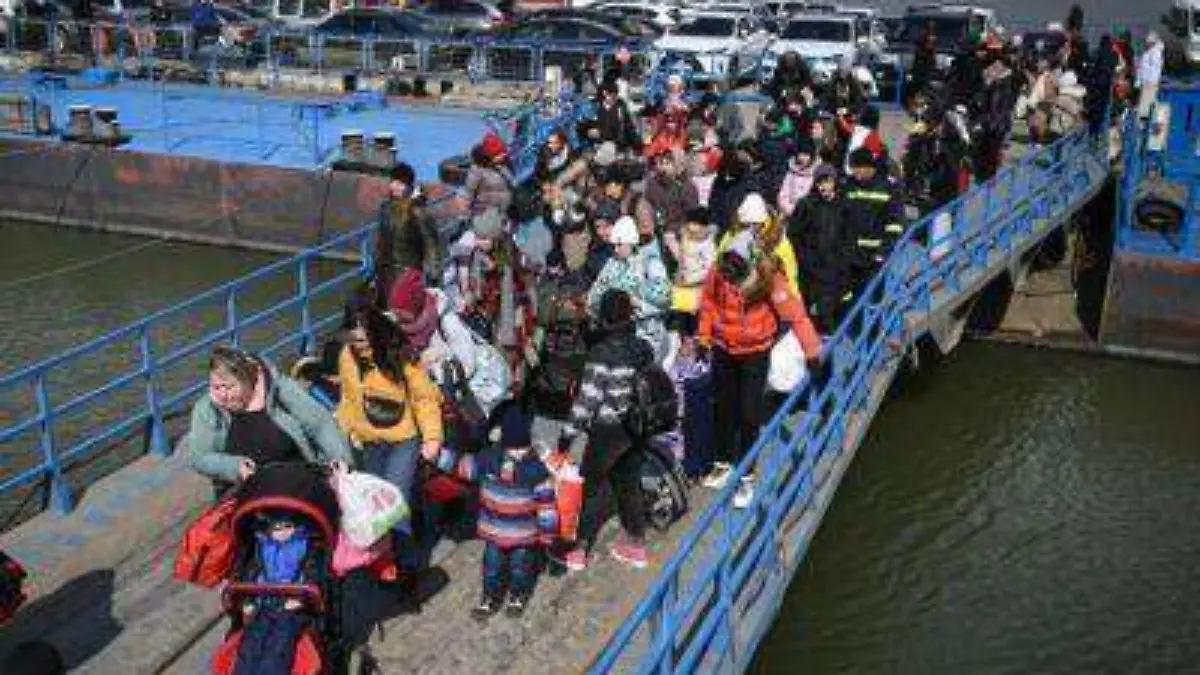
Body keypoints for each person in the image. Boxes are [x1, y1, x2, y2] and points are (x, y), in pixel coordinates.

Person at [697, 231, 821, 508]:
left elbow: (795, 315)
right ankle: (724, 461)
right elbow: (707, 304)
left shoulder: (769, 280)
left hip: (754, 352)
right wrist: (703, 337)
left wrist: (812, 351)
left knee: (748, 412)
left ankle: (747, 475)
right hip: (723, 348)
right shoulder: (719, 273)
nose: (729, 279)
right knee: (723, 407)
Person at [334, 300, 443, 572]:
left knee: (394, 500)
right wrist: (346, 430)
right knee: (375, 504)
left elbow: (424, 399)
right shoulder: (347, 357)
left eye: (364, 334)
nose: (358, 341)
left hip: (402, 441)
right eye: (353, 334)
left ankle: (406, 565)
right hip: (369, 442)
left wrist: (432, 439)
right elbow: (348, 398)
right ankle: (385, 560)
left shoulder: (399, 357)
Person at [558, 289, 656, 571]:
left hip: (608, 429)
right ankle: (635, 546)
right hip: (637, 426)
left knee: (589, 488)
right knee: (629, 485)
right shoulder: (642, 347)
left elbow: (588, 400)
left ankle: (577, 550)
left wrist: (567, 436)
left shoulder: (601, 352)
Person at [427, 406, 557, 619]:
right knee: (491, 568)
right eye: (514, 447)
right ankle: (489, 598)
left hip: (523, 536)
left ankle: (517, 595)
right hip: (494, 534)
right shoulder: (489, 460)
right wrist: (437, 456)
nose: (518, 452)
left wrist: (547, 535)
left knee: (520, 569)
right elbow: (462, 465)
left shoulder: (537, 470)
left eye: (523, 447)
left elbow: (546, 505)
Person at [186, 345, 352, 494]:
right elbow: (199, 456)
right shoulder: (207, 408)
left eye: (229, 387)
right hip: (242, 491)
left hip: (298, 482)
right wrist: (234, 467)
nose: (223, 395)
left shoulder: (280, 389)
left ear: (249, 381)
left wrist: (339, 458)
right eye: (216, 387)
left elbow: (320, 424)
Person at [587, 215, 672, 360]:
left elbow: (665, 298)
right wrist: (597, 306)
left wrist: (637, 302)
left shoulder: (649, 263)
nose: (615, 249)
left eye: (619, 244)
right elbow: (598, 288)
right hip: (617, 333)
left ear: (631, 242)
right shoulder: (613, 262)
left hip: (647, 334)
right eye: (614, 245)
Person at [789, 164, 853, 334]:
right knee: (809, 314)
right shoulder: (806, 205)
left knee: (830, 314)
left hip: (834, 268)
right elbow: (794, 236)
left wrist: (843, 261)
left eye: (828, 181)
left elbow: (849, 235)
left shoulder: (844, 205)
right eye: (820, 182)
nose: (824, 186)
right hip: (810, 270)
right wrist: (804, 260)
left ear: (835, 182)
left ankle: (829, 348)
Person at [843, 147, 905, 297]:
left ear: (868, 167)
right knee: (850, 300)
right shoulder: (848, 185)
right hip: (850, 255)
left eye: (857, 168)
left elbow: (895, 225)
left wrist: (882, 253)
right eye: (852, 168)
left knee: (871, 298)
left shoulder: (888, 188)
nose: (854, 172)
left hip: (875, 258)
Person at [375, 161, 440, 296]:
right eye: (393, 182)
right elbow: (381, 240)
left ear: (409, 186)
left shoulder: (417, 211)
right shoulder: (386, 208)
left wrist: (433, 276)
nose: (394, 187)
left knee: (403, 313)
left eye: (400, 183)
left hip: (407, 274)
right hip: (385, 273)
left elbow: (431, 244)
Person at [1136, 32, 1164, 119]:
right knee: (1149, 101)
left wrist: (1150, 80)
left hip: (1150, 81)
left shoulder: (1155, 52)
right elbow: (1143, 67)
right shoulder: (1149, 51)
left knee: (1148, 102)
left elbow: (1155, 68)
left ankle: (1148, 120)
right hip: (1147, 81)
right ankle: (1151, 120)